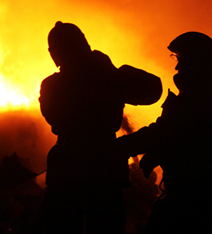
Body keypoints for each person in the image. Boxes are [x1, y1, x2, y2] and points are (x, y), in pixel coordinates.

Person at [38, 21, 162, 234]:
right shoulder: (102, 76)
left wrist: (111, 75)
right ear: (84, 43)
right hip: (104, 167)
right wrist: (111, 75)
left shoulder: (54, 85)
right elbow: (152, 90)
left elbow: (152, 90)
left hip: (70, 169)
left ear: (55, 52)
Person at [117, 31, 212, 234]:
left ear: (195, 62)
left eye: (181, 59)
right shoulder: (204, 96)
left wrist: (117, 148)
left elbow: (162, 133)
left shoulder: (197, 100)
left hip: (191, 199)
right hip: (198, 197)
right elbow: (181, 140)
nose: (177, 66)